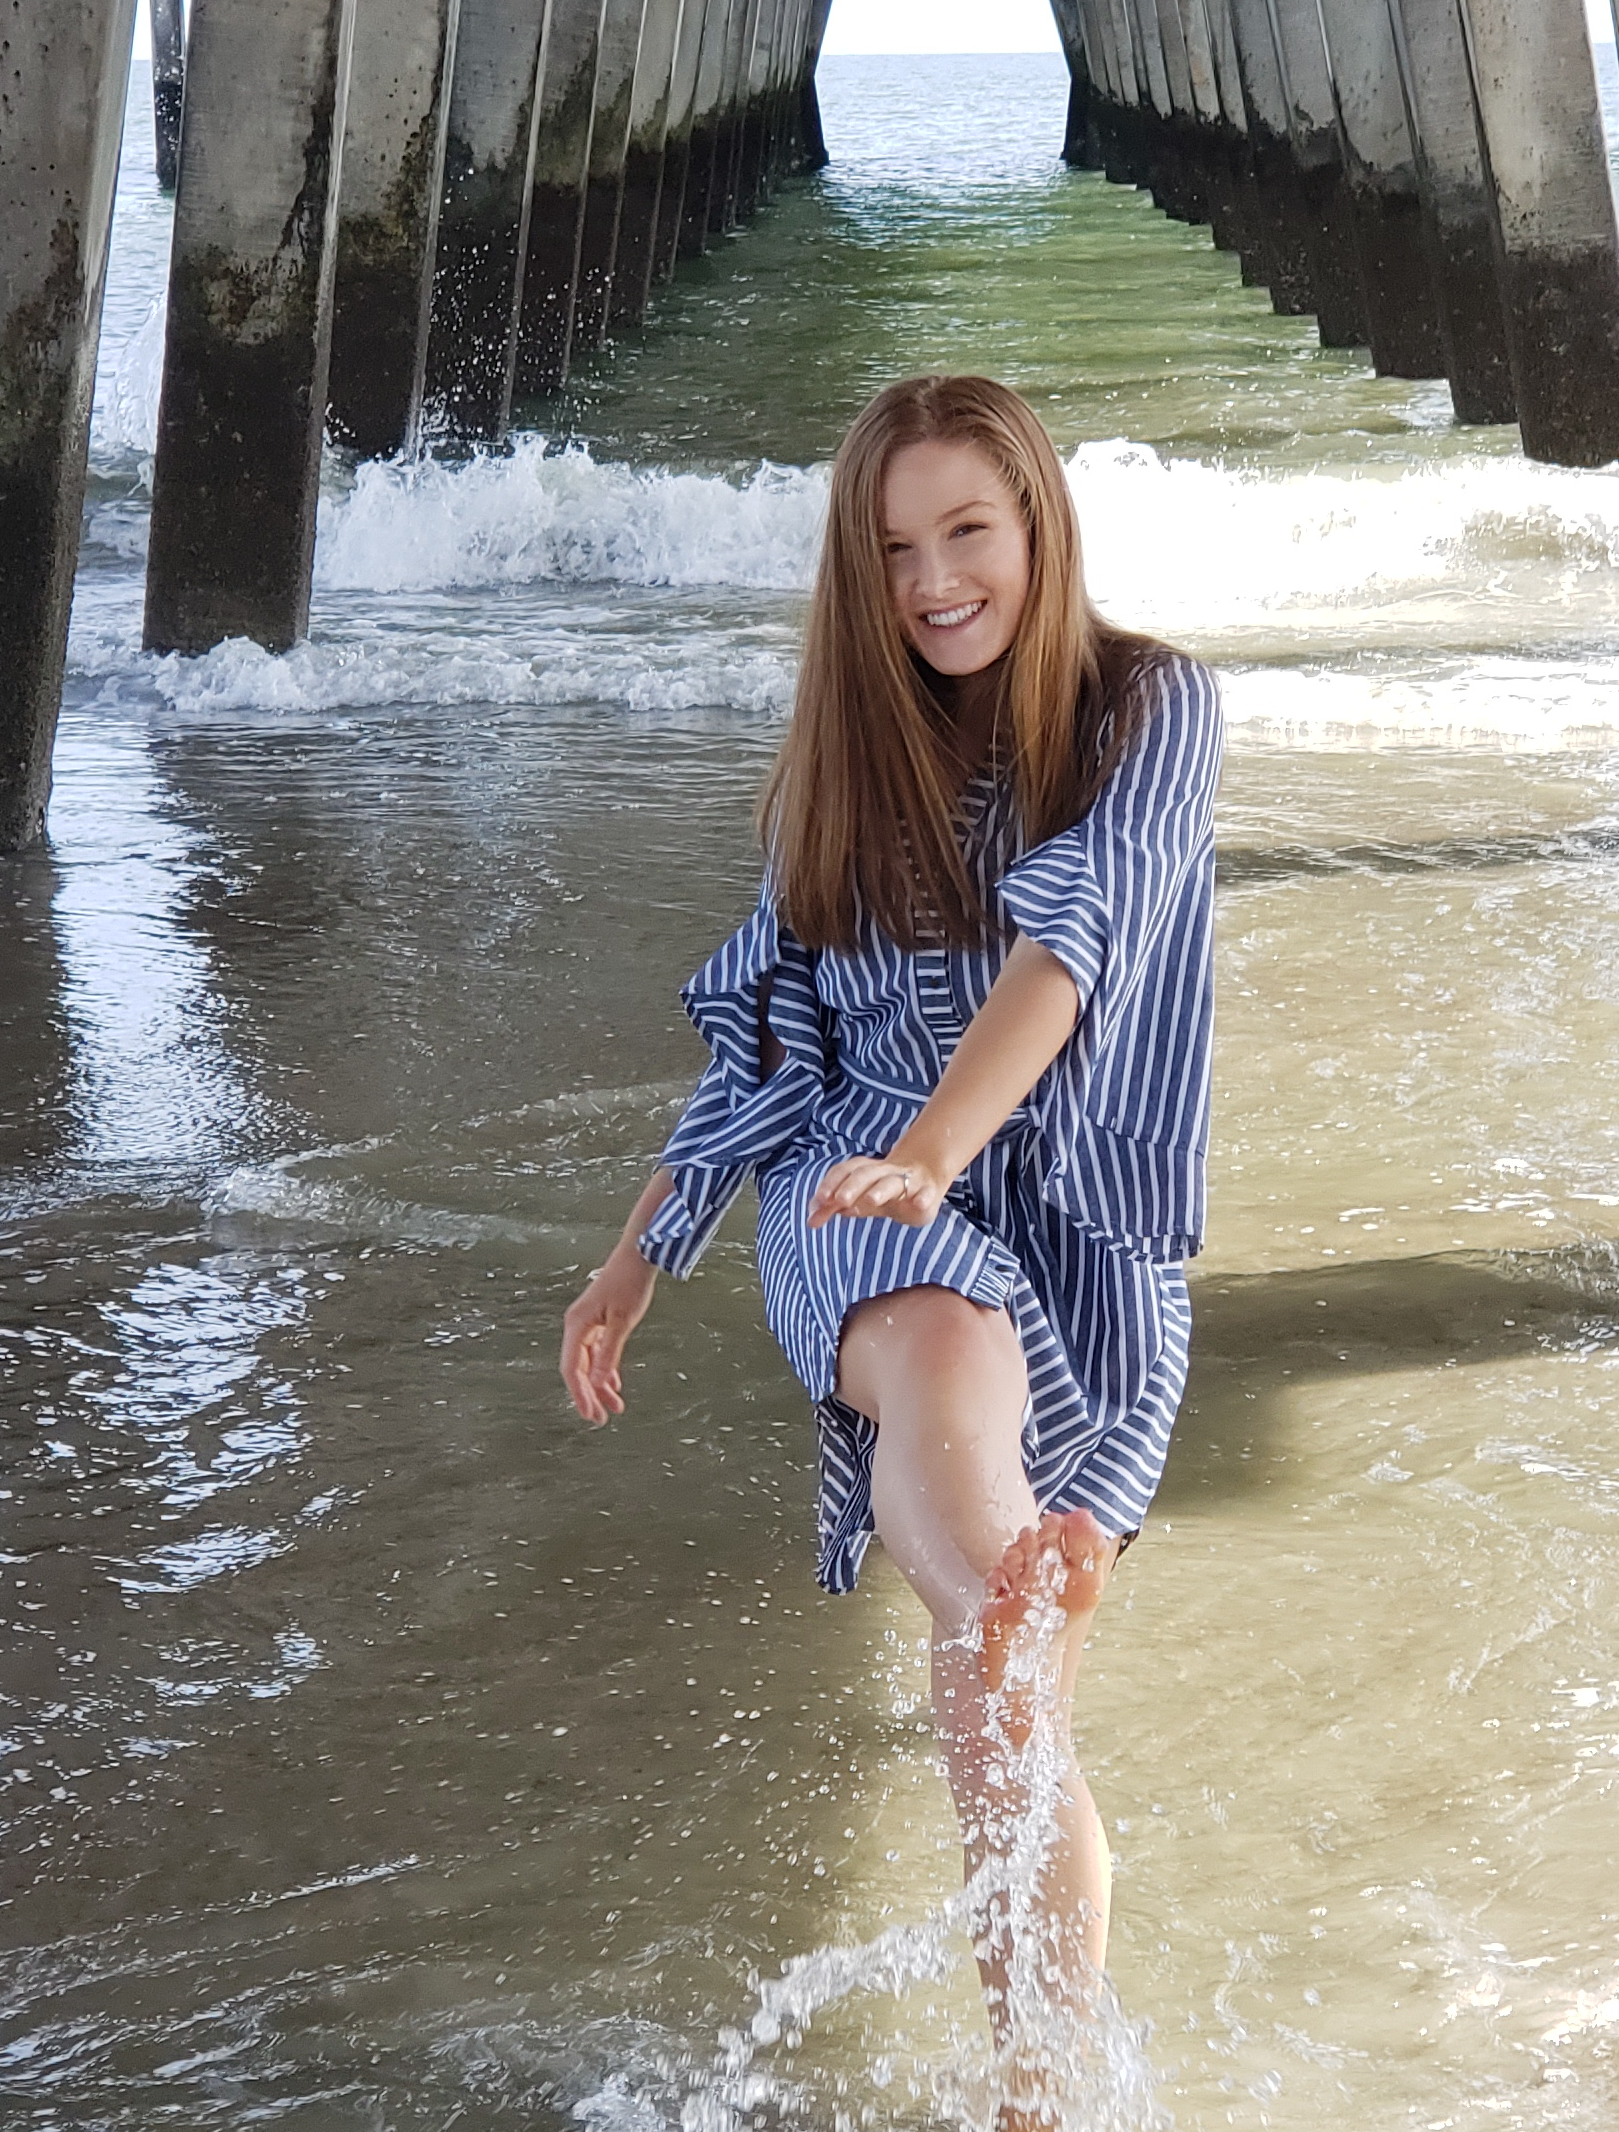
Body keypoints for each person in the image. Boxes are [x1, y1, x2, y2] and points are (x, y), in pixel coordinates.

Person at [559, 373, 1221, 2119]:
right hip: (856, 1200)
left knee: (1007, 1729)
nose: (935, 580)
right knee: (941, 1363)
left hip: (1090, 1234)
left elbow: (1076, 938)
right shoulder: (835, 779)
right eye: (895, 547)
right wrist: (648, 1247)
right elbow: (759, 1049)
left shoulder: (1154, 710)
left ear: (1035, 526)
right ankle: (1007, 1562)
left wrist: (958, 1145)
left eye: (967, 532)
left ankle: (1036, 2088)